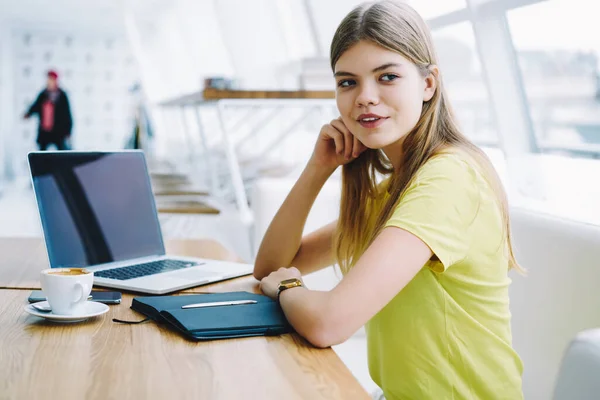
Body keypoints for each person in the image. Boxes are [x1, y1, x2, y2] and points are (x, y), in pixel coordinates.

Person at [253, 1, 524, 399]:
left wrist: (288, 287)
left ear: (428, 83)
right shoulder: (396, 188)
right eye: (348, 82)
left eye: (387, 76)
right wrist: (317, 169)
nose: (365, 97)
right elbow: (270, 265)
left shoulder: (447, 179)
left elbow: (328, 322)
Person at [24, 70, 73, 150]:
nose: (49, 82)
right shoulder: (43, 94)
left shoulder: (62, 95)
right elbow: (36, 106)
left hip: (58, 131)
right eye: (48, 79)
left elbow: (67, 114)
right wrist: (28, 113)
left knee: (62, 152)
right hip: (45, 131)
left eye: (51, 79)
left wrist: (68, 131)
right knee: (41, 154)